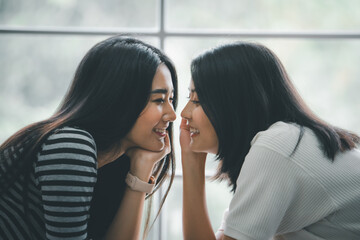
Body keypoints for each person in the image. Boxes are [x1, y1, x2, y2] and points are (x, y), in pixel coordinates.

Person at [0, 35, 178, 240]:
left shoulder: (111, 163)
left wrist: (139, 173)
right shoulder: (71, 146)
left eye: (171, 99)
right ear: (118, 98)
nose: (172, 114)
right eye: (159, 100)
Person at [180, 41, 360, 240]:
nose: (184, 113)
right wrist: (191, 161)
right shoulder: (285, 142)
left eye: (196, 101)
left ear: (233, 104)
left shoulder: (278, 146)